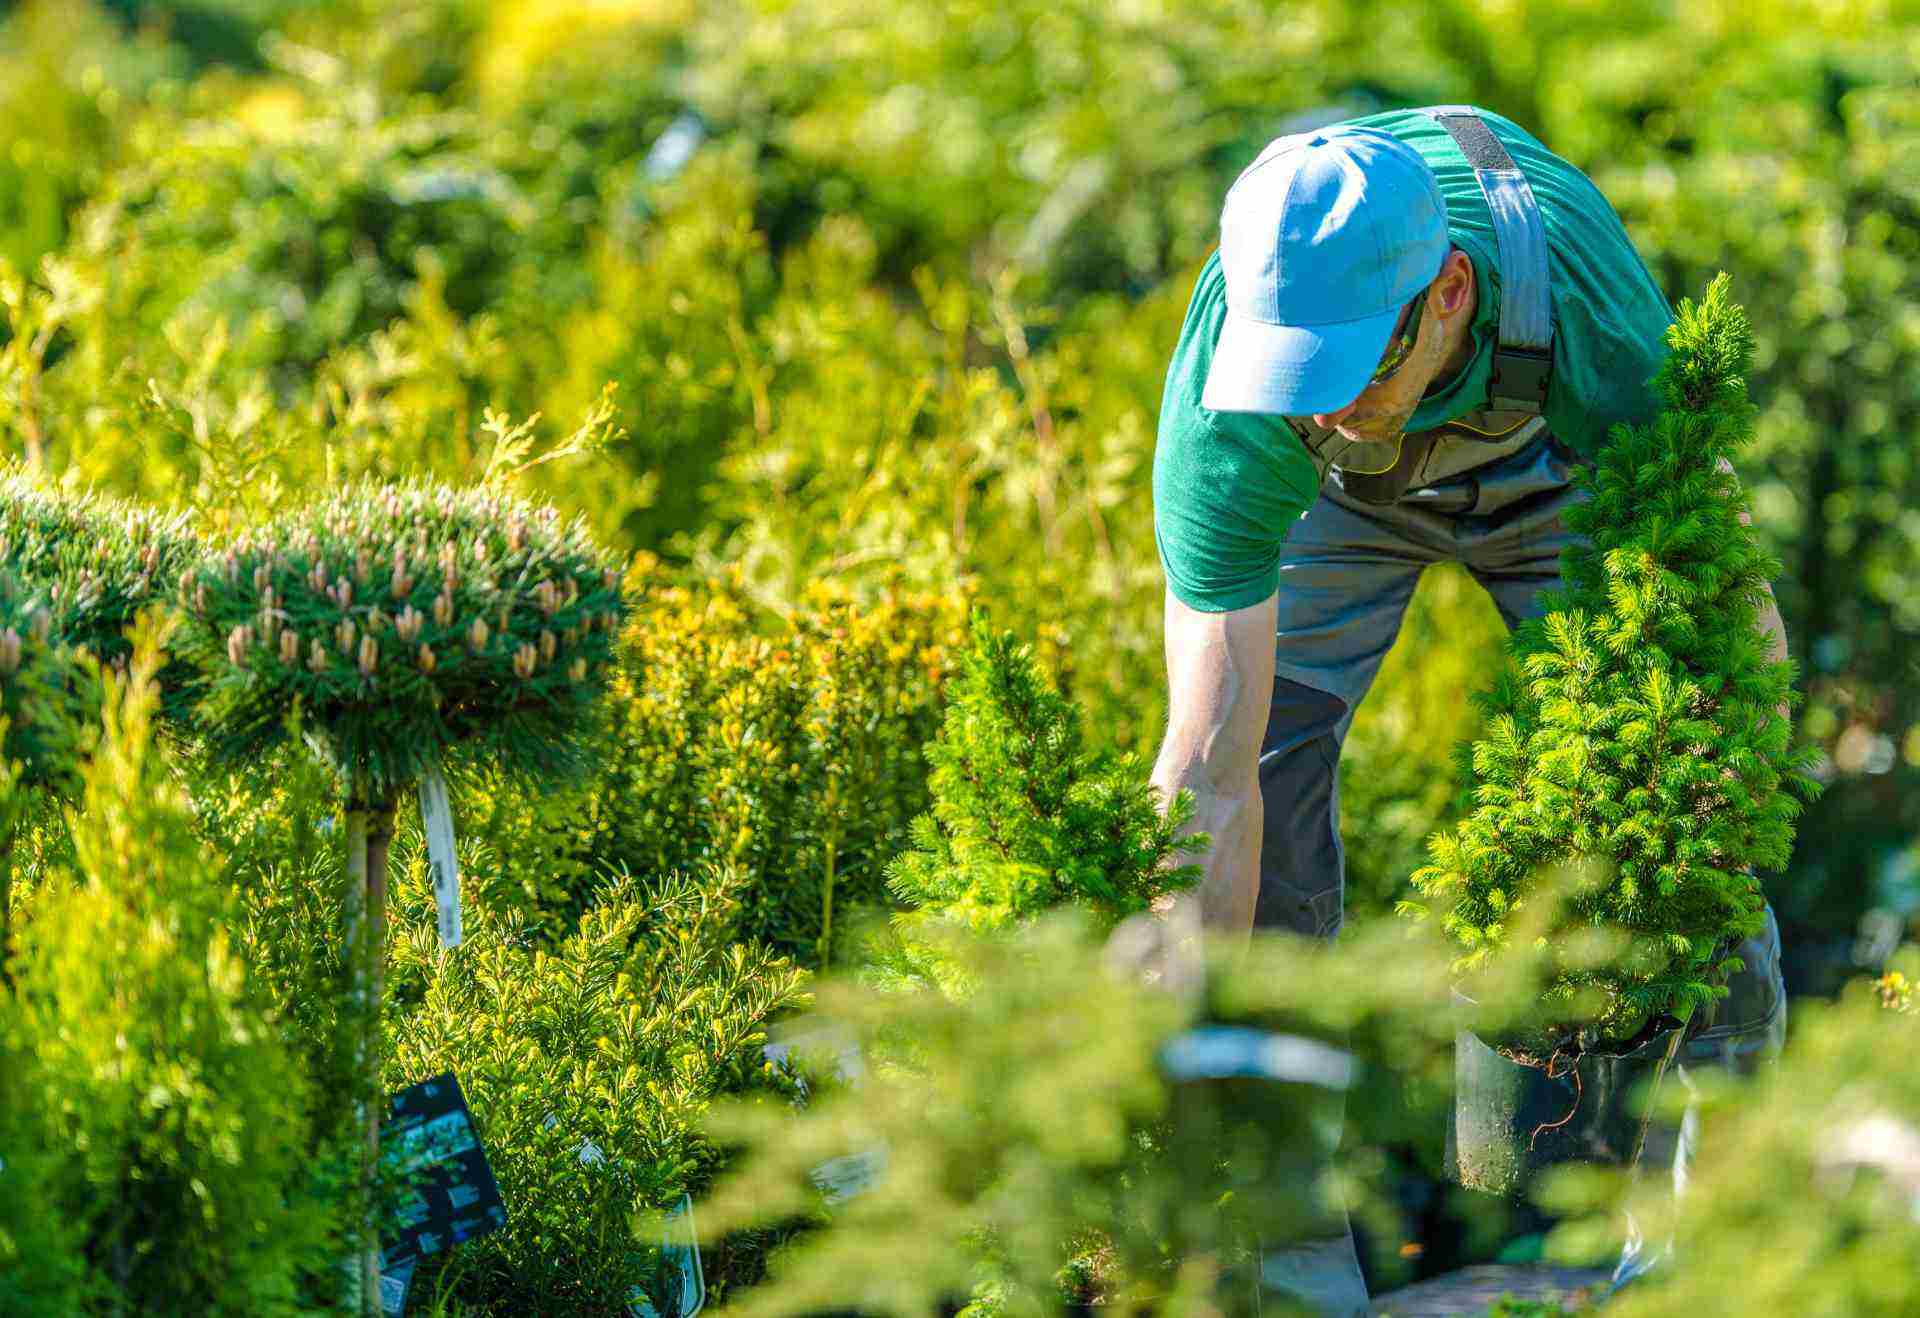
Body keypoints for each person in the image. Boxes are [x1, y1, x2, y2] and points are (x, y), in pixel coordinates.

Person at [1146, 105, 1789, 1313]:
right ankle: (1287, 1271)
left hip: (1561, 469)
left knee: (1692, 806)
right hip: (1333, 513)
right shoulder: (1241, 416)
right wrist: (1162, 1031)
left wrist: (1713, 818)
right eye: (1295, 380)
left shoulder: (1588, 304)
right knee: (1264, 808)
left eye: (1345, 372)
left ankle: (1714, 1253)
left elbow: (1731, 624)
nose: (1322, 407)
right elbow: (1210, 770)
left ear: (1446, 294)